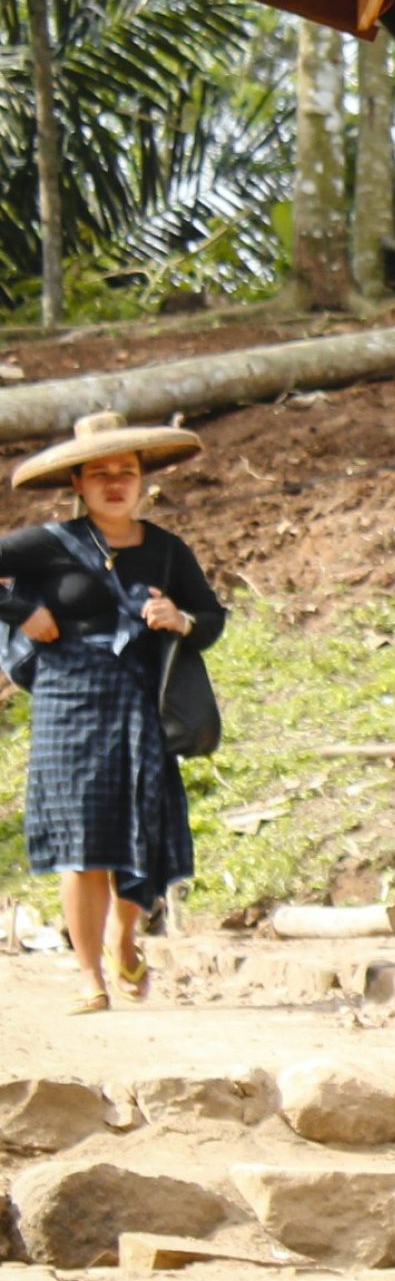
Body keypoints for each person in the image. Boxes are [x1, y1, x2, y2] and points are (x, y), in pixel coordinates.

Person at [1, 411, 225, 1013]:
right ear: (77, 483)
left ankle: (125, 940)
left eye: (124, 471)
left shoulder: (168, 551)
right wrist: (21, 610)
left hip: (140, 697)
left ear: (142, 479)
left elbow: (212, 619)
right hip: (67, 699)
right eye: (98, 473)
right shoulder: (47, 545)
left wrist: (181, 620)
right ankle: (89, 978)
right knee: (80, 843)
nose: (113, 482)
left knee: (140, 832)